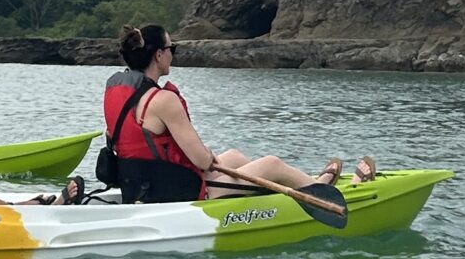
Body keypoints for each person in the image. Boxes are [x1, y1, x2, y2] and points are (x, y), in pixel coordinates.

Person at [102, 23, 374, 204]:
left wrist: (209, 158)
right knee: (271, 164)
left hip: (141, 187)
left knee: (234, 157)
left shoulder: (117, 92)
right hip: (176, 194)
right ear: (159, 55)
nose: (173, 55)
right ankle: (327, 191)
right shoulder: (162, 101)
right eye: (172, 49)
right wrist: (207, 156)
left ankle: (291, 193)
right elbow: (201, 159)